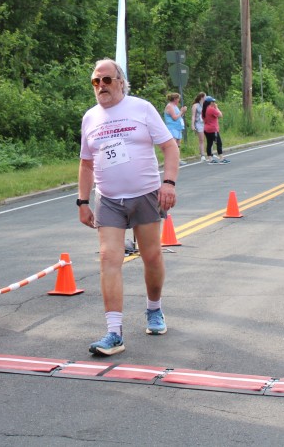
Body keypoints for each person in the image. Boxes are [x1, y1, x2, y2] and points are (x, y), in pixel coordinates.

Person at [77, 59, 179, 356]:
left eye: (107, 80)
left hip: (145, 194)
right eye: (96, 81)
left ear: (120, 82)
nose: (101, 86)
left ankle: (154, 309)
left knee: (151, 256)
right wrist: (82, 201)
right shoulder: (90, 118)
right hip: (108, 199)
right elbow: (86, 163)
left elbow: (170, 147)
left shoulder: (141, 108)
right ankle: (114, 333)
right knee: (109, 258)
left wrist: (168, 183)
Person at [202, 95, 230, 163]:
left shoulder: (204, 110)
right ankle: (221, 158)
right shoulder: (211, 109)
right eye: (213, 102)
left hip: (206, 128)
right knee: (219, 143)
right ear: (210, 102)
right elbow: (220, 115)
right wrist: (216, 108)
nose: (214, 103)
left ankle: (210, 159)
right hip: (213, 129)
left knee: (209, 143)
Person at [163, 93, 187, 166]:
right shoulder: (170, 106)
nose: (179, 100)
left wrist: (183, 112)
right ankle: (172, 161)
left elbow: (179, 116)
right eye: (178, 98)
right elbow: (174, 117)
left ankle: (177, 159)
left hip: (177, 127)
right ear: (175, 99)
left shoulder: (175, 106)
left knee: (178, 145)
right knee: (173, 145)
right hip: (172, 128)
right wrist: (181, 111)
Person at [191, 92, 207, 161]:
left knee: (209, 138)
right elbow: (193, 116)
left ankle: (210, 153)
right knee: (201, 139)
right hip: (199, 124)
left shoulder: (206, 104)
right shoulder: (195, 105)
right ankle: (202, 155)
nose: (206, 98)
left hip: (206, 123)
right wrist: (192, 125)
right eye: (205, 96)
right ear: (202, 97)